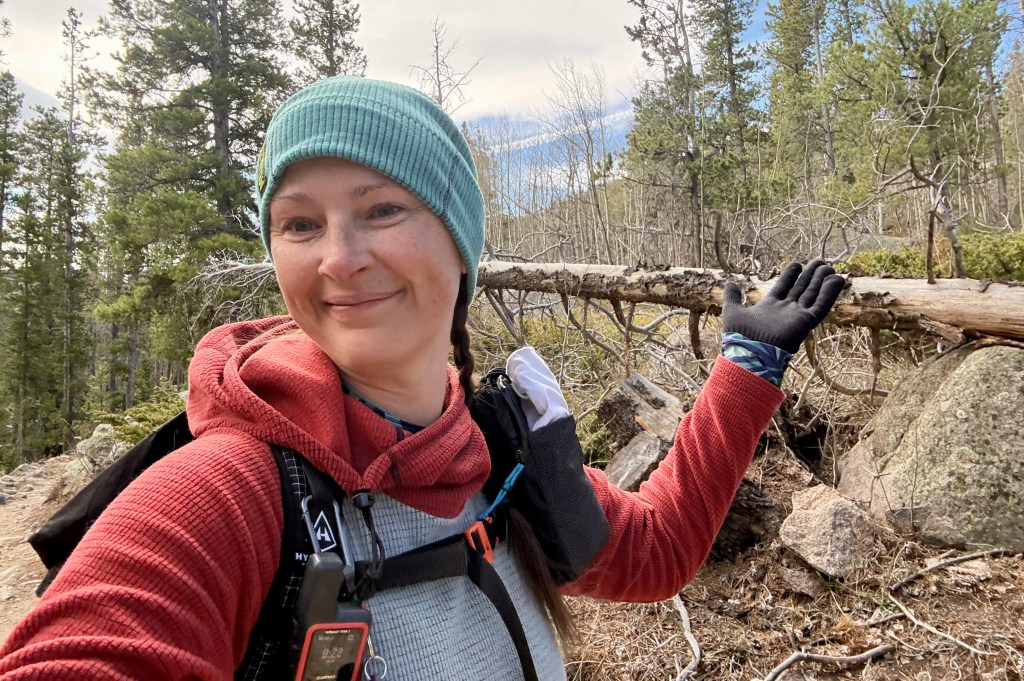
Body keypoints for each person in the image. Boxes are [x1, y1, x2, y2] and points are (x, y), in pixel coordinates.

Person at [0, 76, 844, 680]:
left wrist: (746, 367)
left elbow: (656, 549)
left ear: (459, 245)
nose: (339, 257)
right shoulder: (223, 494)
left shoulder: (497, 460)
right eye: (300, 222)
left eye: (382, 209)